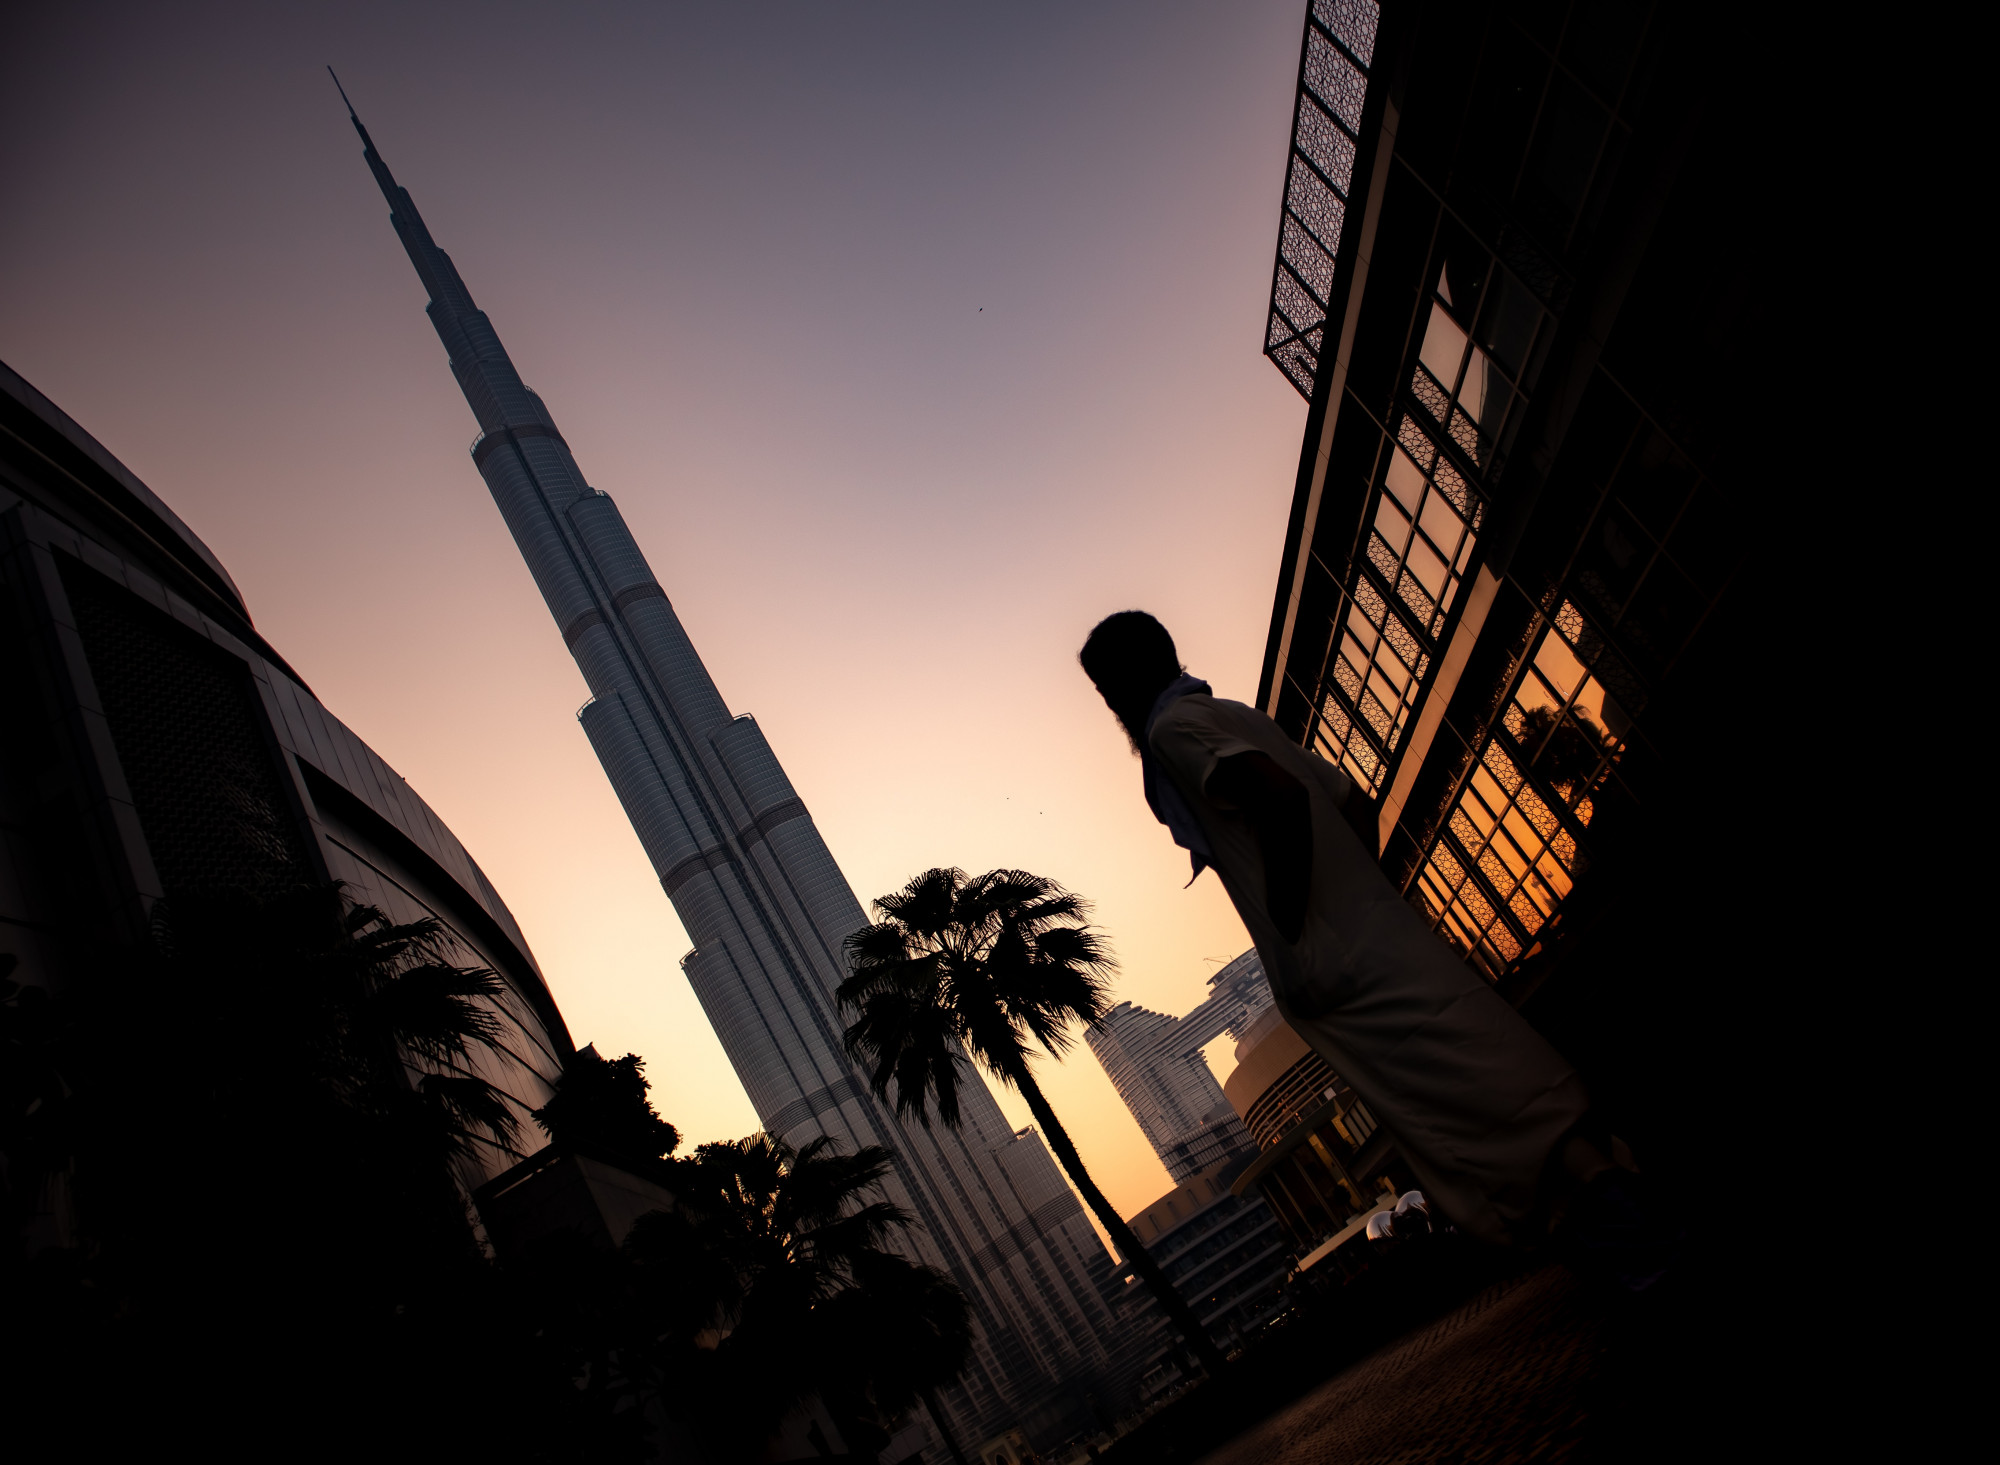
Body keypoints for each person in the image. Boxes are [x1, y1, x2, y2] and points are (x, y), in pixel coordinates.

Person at [1079, 610, 1645, 1259]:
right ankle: (1617, 1216)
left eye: (1105, 687)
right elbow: (1350, 803)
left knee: (1471, 1110)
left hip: (1346, 968)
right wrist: (1358, 903)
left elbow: (1282, 797)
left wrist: (1300, 931)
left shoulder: (1173, 730)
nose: (1109, 704)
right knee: (1491, 1078)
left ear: (1126, 681)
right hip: (1378, 941)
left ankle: (1632, 1237)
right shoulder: (1232, 713)